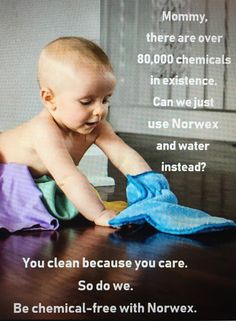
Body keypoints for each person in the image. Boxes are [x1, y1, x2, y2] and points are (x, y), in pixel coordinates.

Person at [0, 36, 151, 227]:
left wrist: (151, 184)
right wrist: (100, 213)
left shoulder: (98, 125)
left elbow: (124, 156)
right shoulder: (44, 130)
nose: (99, 110)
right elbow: (66, 177)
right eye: (87, 102)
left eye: (105, 99)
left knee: (82, 193)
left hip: (33, 177)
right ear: (49, 99)